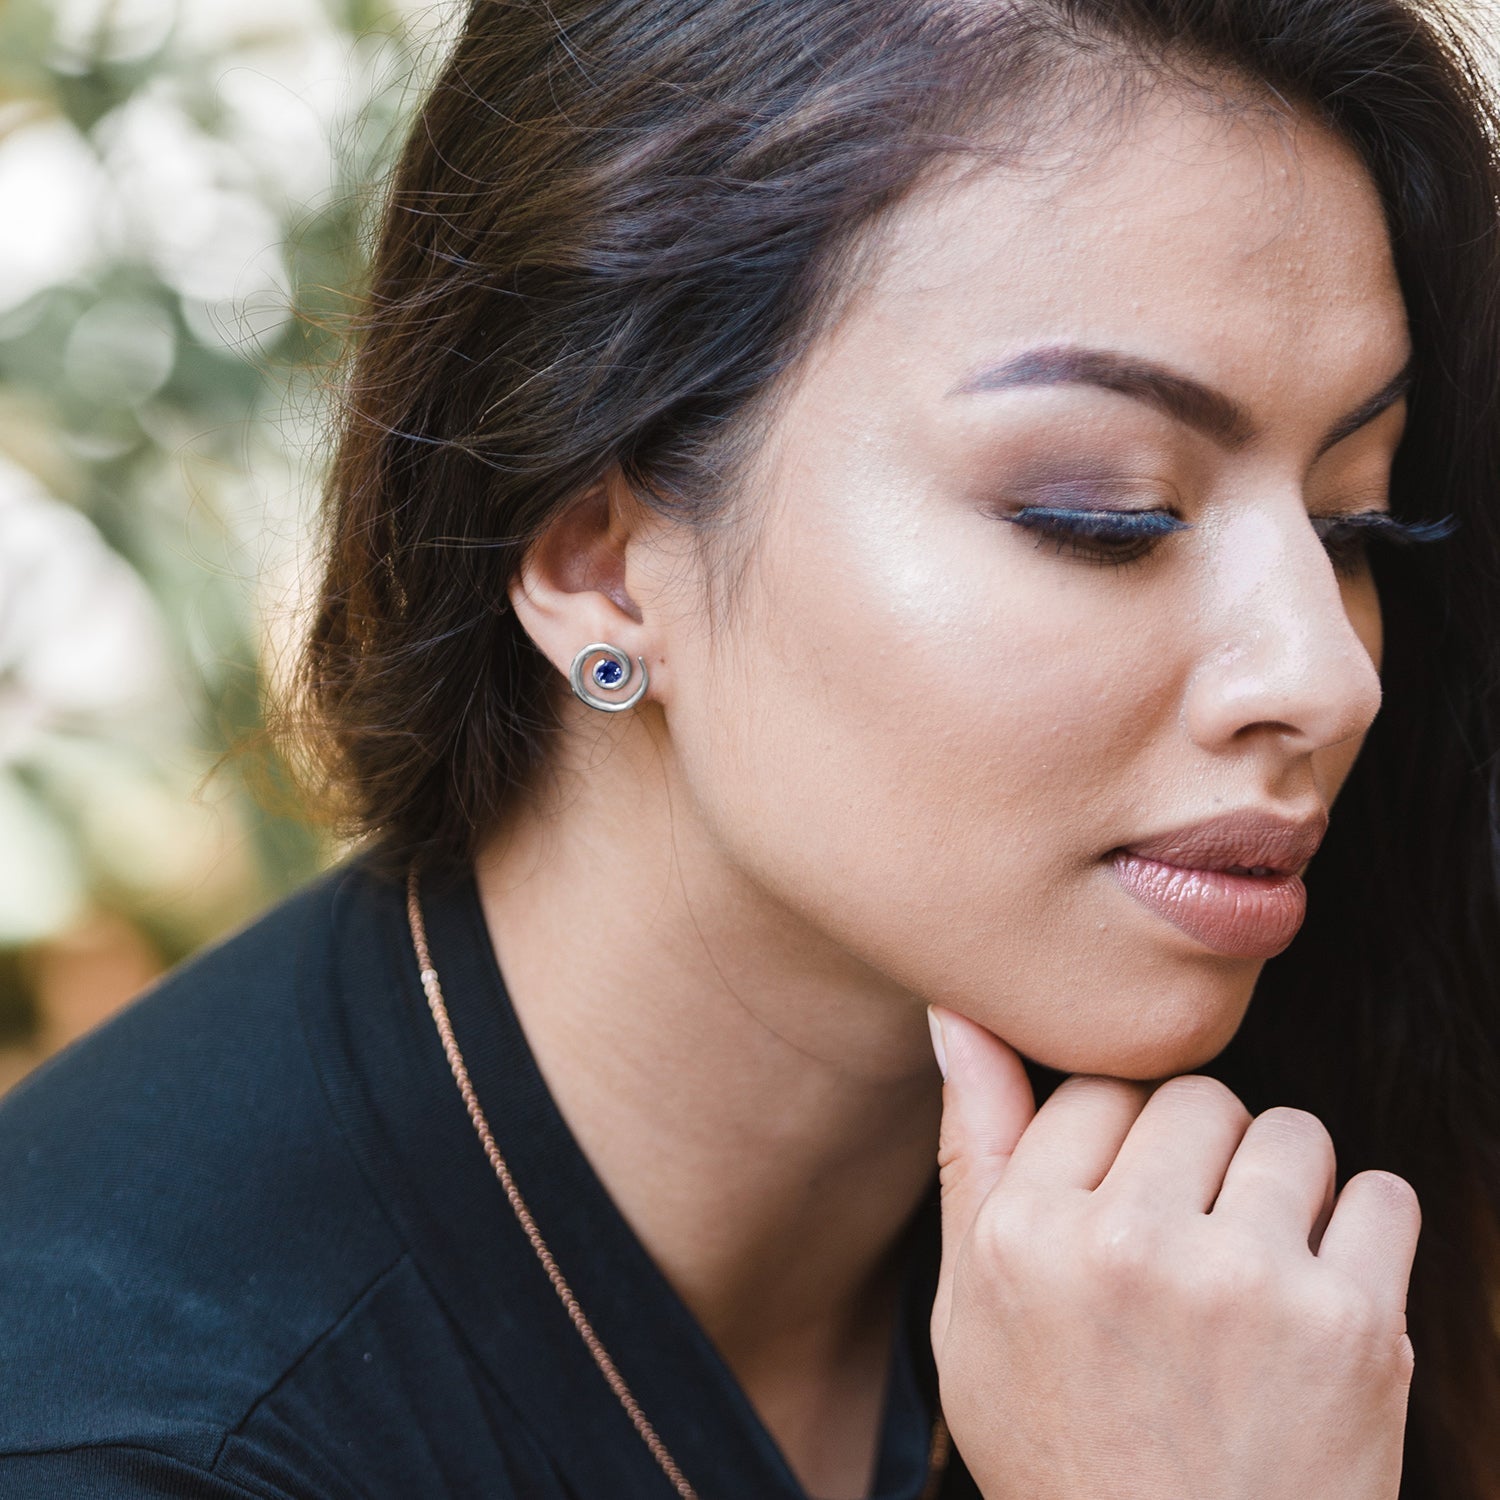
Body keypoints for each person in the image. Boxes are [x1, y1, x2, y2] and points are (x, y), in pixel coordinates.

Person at [2, 0, 1498, 1495]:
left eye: (1352, 520)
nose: (1326, 672)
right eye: (1104, 511)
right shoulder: (126, 1439)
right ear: (597, 561)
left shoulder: (1289, 1226)